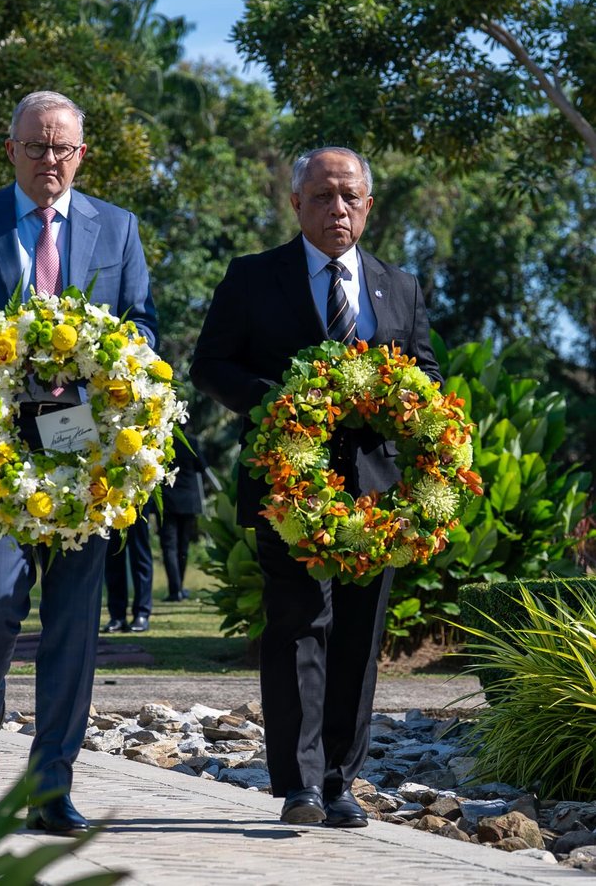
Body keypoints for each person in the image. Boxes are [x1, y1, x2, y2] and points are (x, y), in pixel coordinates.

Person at [0, 90, 157, 835]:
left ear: (81, 155)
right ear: (11, 149)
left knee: (73, 619)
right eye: (35, 145)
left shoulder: (118, 227)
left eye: (62, 148)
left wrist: (112, 360)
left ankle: (51, 781)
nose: (49, 159)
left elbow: (143, 321)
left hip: (82, 437)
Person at [190, 146, 441, 828]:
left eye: (349, 196)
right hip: (288, 490)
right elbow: (210, 362)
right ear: (296, 203)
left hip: (377, 498)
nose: (337, 208)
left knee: (359, 639)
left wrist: (416, 416)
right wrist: (274, 400)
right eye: (323, 196)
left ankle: (339, 781)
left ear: (367, 205)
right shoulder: (252, 278)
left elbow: (429, 380)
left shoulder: (401, 286)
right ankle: (298, 784)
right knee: (299, 625)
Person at [158, 425, 208, 601]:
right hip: (188, 501)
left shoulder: (162, 441)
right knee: (183, 546)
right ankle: (179, 587)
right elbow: (202, 467)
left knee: (169, 546)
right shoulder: (192, 442)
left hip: (168, 501)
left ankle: (175, 590)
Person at [101, 505, 153, 633]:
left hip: (138, 498)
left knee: (140, 554)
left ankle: (142, 613)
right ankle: (117, 615)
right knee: (113, 555)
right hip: (111, 499)